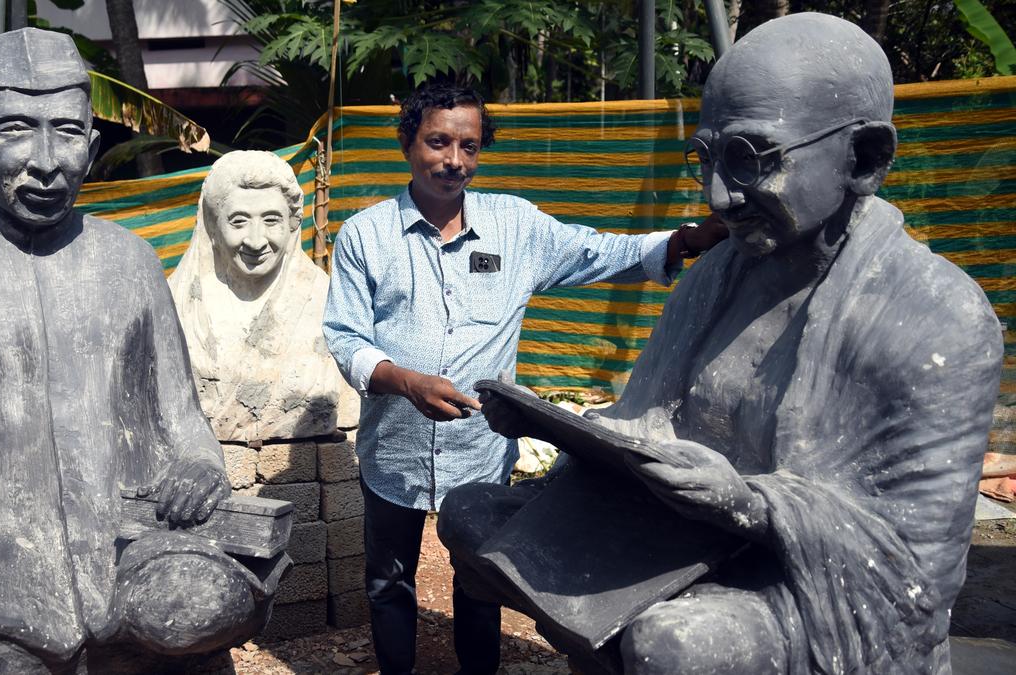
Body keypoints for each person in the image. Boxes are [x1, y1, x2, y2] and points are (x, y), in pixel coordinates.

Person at [438, 13, 1004, 674]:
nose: (718, 195)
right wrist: (568, 433)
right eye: (706, 158)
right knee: (471, 513)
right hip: (664, 536)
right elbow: (641, 421)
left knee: (673, 646)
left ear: (865, 158)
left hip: (793, 588)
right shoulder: (717, 275)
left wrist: (753, 505)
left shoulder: (939, 317)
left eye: (751, 159)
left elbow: (916, 573)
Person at [0, 29, 282, 675]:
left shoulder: (128, 259)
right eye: (15, 128)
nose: (46, 160)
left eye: (66, 131)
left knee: (197, 616)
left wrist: (200, 466)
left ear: (91, 147)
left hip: (130, 556)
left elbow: (183, 421)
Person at [321, 82, 726, 674]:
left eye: (469, 146)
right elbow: (346, 336)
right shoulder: (365, 236)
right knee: (389, 579)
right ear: (408, 142)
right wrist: (408, 382)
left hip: (481, 450)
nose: (453, 161)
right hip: (395, 452)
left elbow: (597, 252)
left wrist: (686, 240)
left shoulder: (517, 227)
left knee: (480, 582)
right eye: (437, 142)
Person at [168, 150, 358, 444]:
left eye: (271, 220)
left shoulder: (326, 302)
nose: (256, 241)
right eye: (239, 221)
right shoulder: (175, 305)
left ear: (293, 224)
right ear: (213, 226)